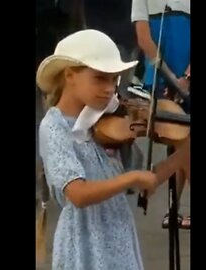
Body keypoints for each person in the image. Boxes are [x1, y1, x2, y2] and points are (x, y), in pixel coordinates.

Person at [37, 29, 189, 270]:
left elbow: (144, 183)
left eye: (113, 80)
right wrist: (132, 176)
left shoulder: (107, 124)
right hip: (84, 245)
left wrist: (184, 152)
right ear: (69, 75)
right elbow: (78, 194)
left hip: (119, 240)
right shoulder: (54, 126)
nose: (110, 89)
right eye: (100, 78)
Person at [132, 0, 191, 229]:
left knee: (183, 142)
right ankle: (173, 209)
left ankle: (174, 209)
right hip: (161, 76)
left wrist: (186, 78)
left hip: (186, 77)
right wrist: (171, 78)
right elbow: (144, 39)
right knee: (179, 141)